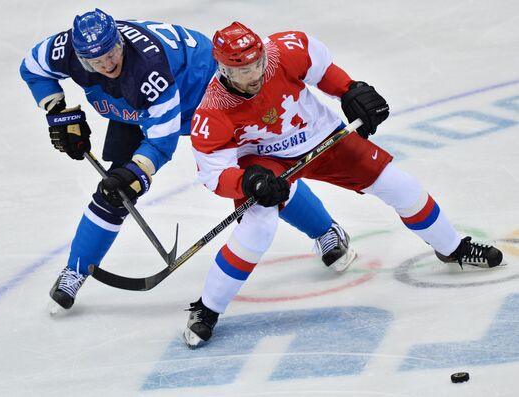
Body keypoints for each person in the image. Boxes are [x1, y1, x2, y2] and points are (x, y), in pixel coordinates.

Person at [186, 21, 505, 348]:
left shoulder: (286, 51)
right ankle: (207, 309)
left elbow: (323, 70)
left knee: (402, 186)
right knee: (258, 230)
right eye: (243, 72)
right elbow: (215, 175)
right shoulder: (213, 112)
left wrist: (352, 90)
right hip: (266, 164)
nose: (254, 75)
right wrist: (247, 182)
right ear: (224, 70)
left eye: (258, 64)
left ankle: (452, 249)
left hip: (325, 138)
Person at [20, 10, 356, 312]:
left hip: (207, 96)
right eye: (96, 61)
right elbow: (32, 68)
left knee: (258, 177)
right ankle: (76, 270)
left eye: (112, 53)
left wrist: (137, 172)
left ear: (121, 41)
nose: (107, 64)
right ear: (78, 56)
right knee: (113, 192)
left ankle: (326, 230)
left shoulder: (150, 71)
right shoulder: (64, 51)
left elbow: (161, 142)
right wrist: (57, 111)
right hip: (134, 103)